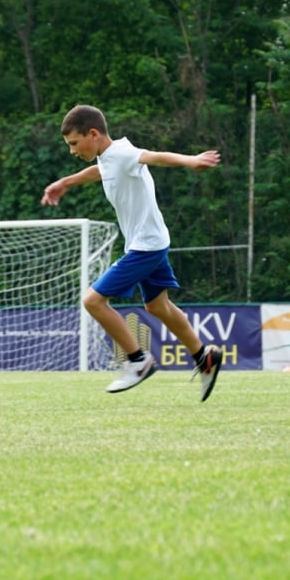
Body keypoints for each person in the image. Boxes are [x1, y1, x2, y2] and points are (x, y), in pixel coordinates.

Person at [41, 104, 224, 400]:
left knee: (93, 301)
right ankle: (204, 357)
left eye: (74, 143)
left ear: (93, 133)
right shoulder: (109, 157)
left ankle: (138, 360)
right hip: (152, 240)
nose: (72, 151)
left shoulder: (124, 154)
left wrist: (190, 161)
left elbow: (153, 157)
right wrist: (65, 182)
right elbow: (99, 172)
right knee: (157, 307)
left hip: (146, 246)